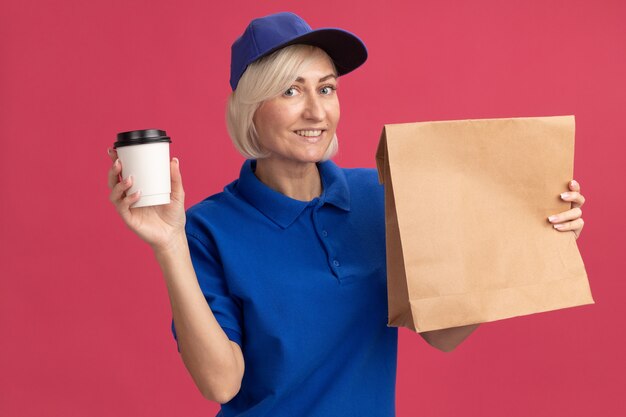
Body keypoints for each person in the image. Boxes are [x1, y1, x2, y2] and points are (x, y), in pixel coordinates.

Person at [106, 11, 587, 417]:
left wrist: (530, 234)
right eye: (291, 92)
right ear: (250, 109)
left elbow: (441, 332)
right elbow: (220, 384)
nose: (316, 111)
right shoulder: (209, 229)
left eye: (327, 88)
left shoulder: (380, 192)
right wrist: (169, 243)